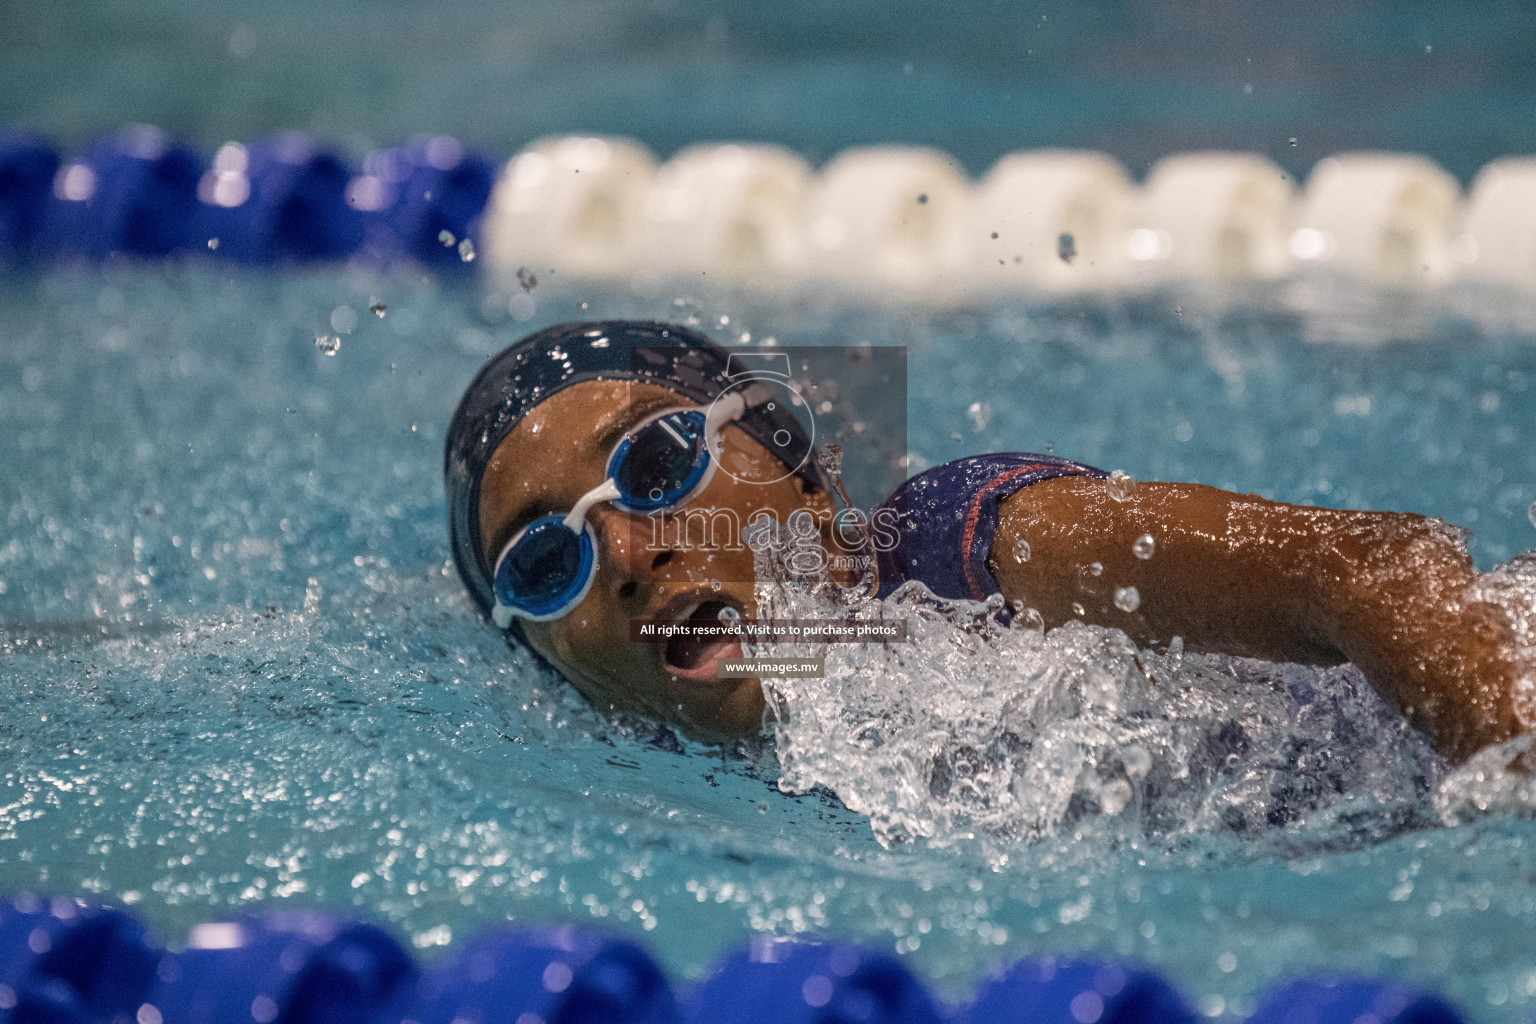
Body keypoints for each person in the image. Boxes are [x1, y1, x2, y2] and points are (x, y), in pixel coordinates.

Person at [445, 320, 1525, 761]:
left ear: (809, 484)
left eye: (657, 462)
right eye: (545, 560)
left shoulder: (956, 552)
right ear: (547, 665)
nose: (629, 555)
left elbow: (1366, 569)